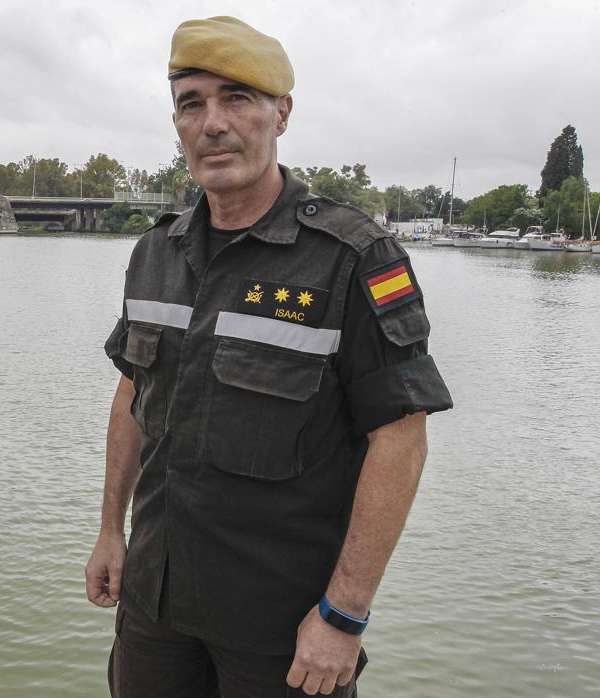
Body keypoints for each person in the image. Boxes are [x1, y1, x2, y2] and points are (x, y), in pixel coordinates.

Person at [85, 17, 453, 698]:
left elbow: (401, 439)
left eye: (238, 99)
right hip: (155, 605)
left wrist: (344, 615)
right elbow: (133, 395)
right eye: (192, 103)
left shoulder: (352, 258)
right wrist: (111, 531)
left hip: (283, 628)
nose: (212, 123)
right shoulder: (154, 254)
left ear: (281, 113)